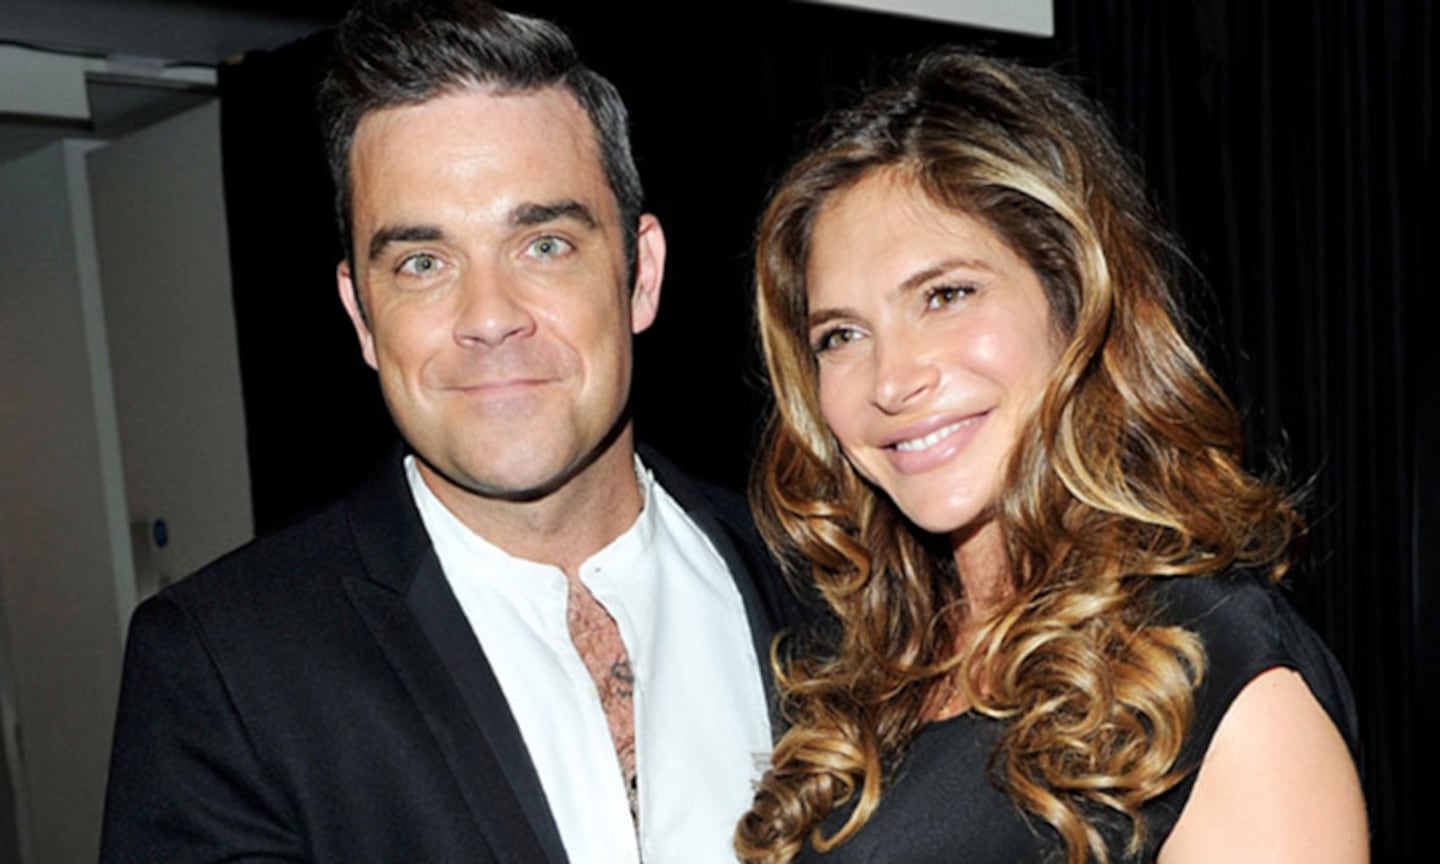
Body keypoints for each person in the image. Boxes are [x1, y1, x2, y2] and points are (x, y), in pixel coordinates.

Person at [99, 2, 794, 862]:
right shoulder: (225, 668)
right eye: (423, 263)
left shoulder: (832, 588)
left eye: (544, 244)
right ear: (362, 314)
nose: (489, 317)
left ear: (640, 274)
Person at [735, 49, 1367, 863]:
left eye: (946, 295)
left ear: (1074, 298)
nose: (891, 380)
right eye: (842, 335)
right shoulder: (867, 685)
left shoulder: (1213, 675)